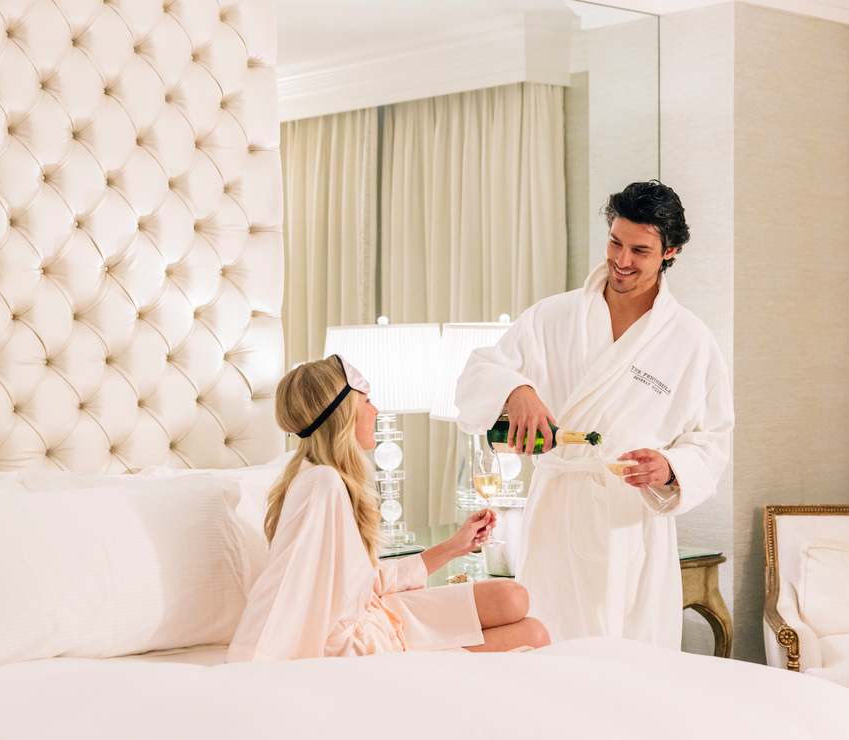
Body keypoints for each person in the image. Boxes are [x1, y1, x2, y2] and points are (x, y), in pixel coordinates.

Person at [454, 181, 734, 648]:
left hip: (629, 521)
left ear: (671, 251)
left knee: (630, 653)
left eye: (640, 250)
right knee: (550, 643)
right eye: (615, 242)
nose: (622, 260)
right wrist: (515, 389)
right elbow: (478, 375)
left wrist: (669, 468)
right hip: (558, 510)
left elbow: (712, 439)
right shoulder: (554, 317)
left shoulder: (690, 340)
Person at [227, 355, 549, 661]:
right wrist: (259, 667)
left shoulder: (331, 479)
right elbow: (289, 592)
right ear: (345, 411)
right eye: (367, 401)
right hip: (360, 644)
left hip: (380, 613)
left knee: (513, 596)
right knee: (532, 634)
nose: (376, 411)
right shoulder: (322, 485)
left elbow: (361, 582)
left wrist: (453, 547)